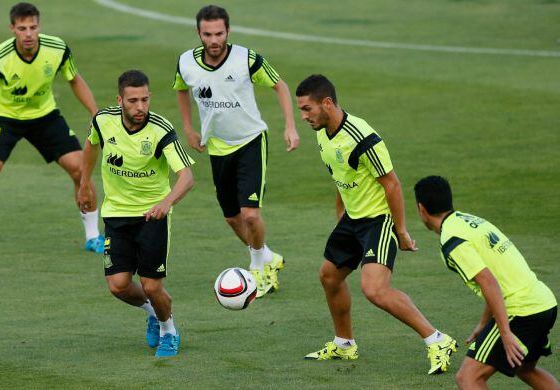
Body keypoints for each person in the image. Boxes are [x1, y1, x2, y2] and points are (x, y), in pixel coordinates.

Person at [295, 74, 457, 374]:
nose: (303, 116)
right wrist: (340, 217)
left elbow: (392, 184)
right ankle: (344, 344)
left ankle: (437, 339)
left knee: (374, 289)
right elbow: (341, 176)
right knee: (329, 276)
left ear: (327, 103)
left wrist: (401, 230)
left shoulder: (362, 137)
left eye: (307, 109)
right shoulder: (322, 133)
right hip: (352, 219)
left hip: (378, 221)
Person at [0, 2, 102, 263]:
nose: (28, 33)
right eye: (22, 28)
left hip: (45, 115)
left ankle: (93, 236)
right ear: (12, 29)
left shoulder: (57, 49)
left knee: (80, 168)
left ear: (39, 27)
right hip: (6, 117)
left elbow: (74, 79)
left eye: (33, 27)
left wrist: (95, 113)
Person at [173, 5, 299, 297]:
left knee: (250, 215)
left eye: (219, 33)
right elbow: (181, 89)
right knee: (232, 218)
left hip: (251, 140)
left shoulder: (247, 58)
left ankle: (258, 271)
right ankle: (268, 256)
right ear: (198, 33)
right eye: (208, 34)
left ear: (228, 31)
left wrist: (290, 127)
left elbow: (280, 85)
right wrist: (189, 129)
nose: (214, 40)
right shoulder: (186, 62)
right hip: (217, 148)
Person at [78, 70, 194, 357]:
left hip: (151, 216)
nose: (140, 107)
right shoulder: (103, 121)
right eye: (133, 101)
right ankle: (154, 313)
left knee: (152, 285)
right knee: (118, 286)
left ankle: (169, 331)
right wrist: (84, 182)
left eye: (144, 99)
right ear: (120, 100)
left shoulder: (160, 129)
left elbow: (187, 176)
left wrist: (167, 203)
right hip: (116, 214)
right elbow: (92, 144)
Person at [414, 176, 558, 389]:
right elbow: (494, 280)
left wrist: (506, 333)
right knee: (525, 369)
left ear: (421, 209)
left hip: (521, 311)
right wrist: (483, 323)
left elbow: (489, 282)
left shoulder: (452, 240)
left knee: (468, 378)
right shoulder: (469, 220)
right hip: (544, 303)